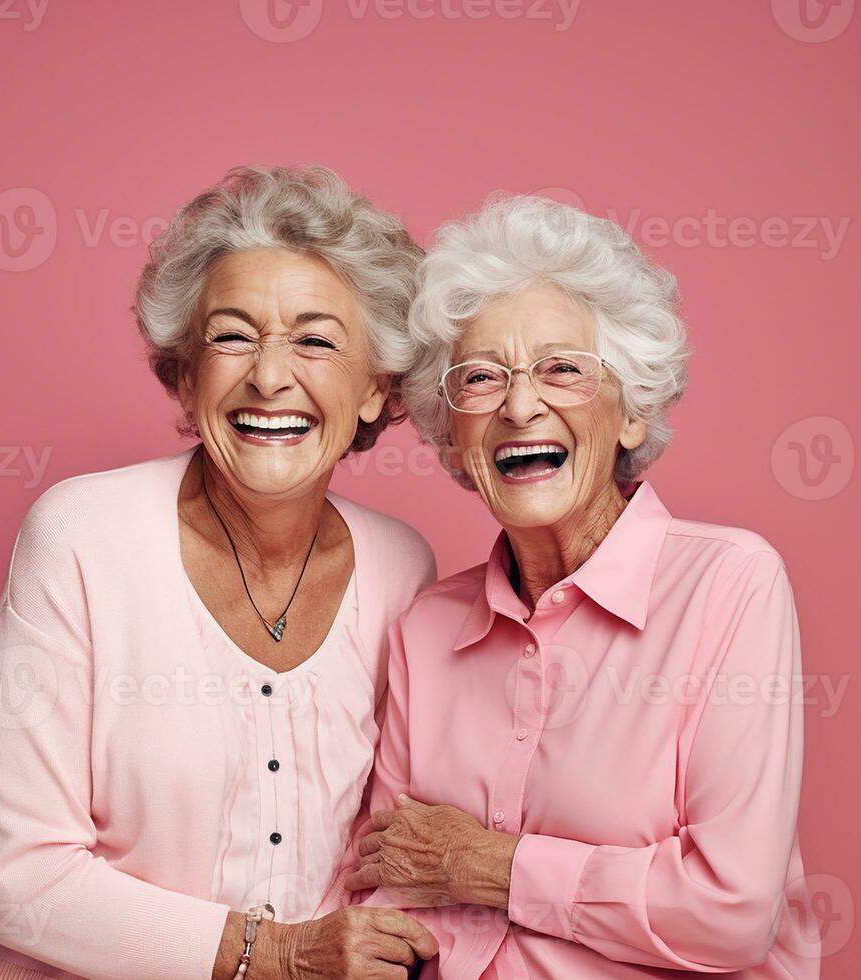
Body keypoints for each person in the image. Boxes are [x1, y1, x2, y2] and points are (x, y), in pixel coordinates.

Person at [0, 165, 439, 980]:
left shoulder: (403, 567)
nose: (270, 376)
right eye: (232, 335)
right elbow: (23, 883)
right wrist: (279, 955)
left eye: (316, 340)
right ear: (183, 372)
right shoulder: (81, 535)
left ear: (377, 387)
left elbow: (382, 844)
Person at [343, 194, 821, 978]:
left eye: (563, 369)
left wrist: (493, 867)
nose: (521, 405)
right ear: (454, 440)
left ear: (631, 413)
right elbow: (388, 898)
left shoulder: (730, 586)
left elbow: (730, 913)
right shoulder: (426, 627)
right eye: (482, 378)